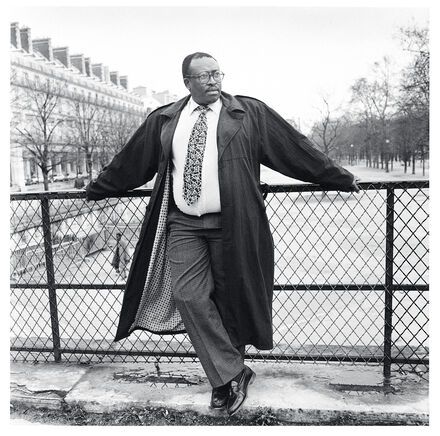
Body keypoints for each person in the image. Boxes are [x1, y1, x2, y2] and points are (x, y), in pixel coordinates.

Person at [86, 52, 359, 415]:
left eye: (217, 73)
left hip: (234, 221)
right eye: (204, 76)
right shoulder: (165, 119)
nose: (213, 80)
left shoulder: (248, 114)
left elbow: (294, 149)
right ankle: (232, 371)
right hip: (184, 222)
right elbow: (131, 162)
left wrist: (339, 177)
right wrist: (97, 188)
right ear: (187, 82)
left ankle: (222, 382)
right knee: (187, 295)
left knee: (232, 298)